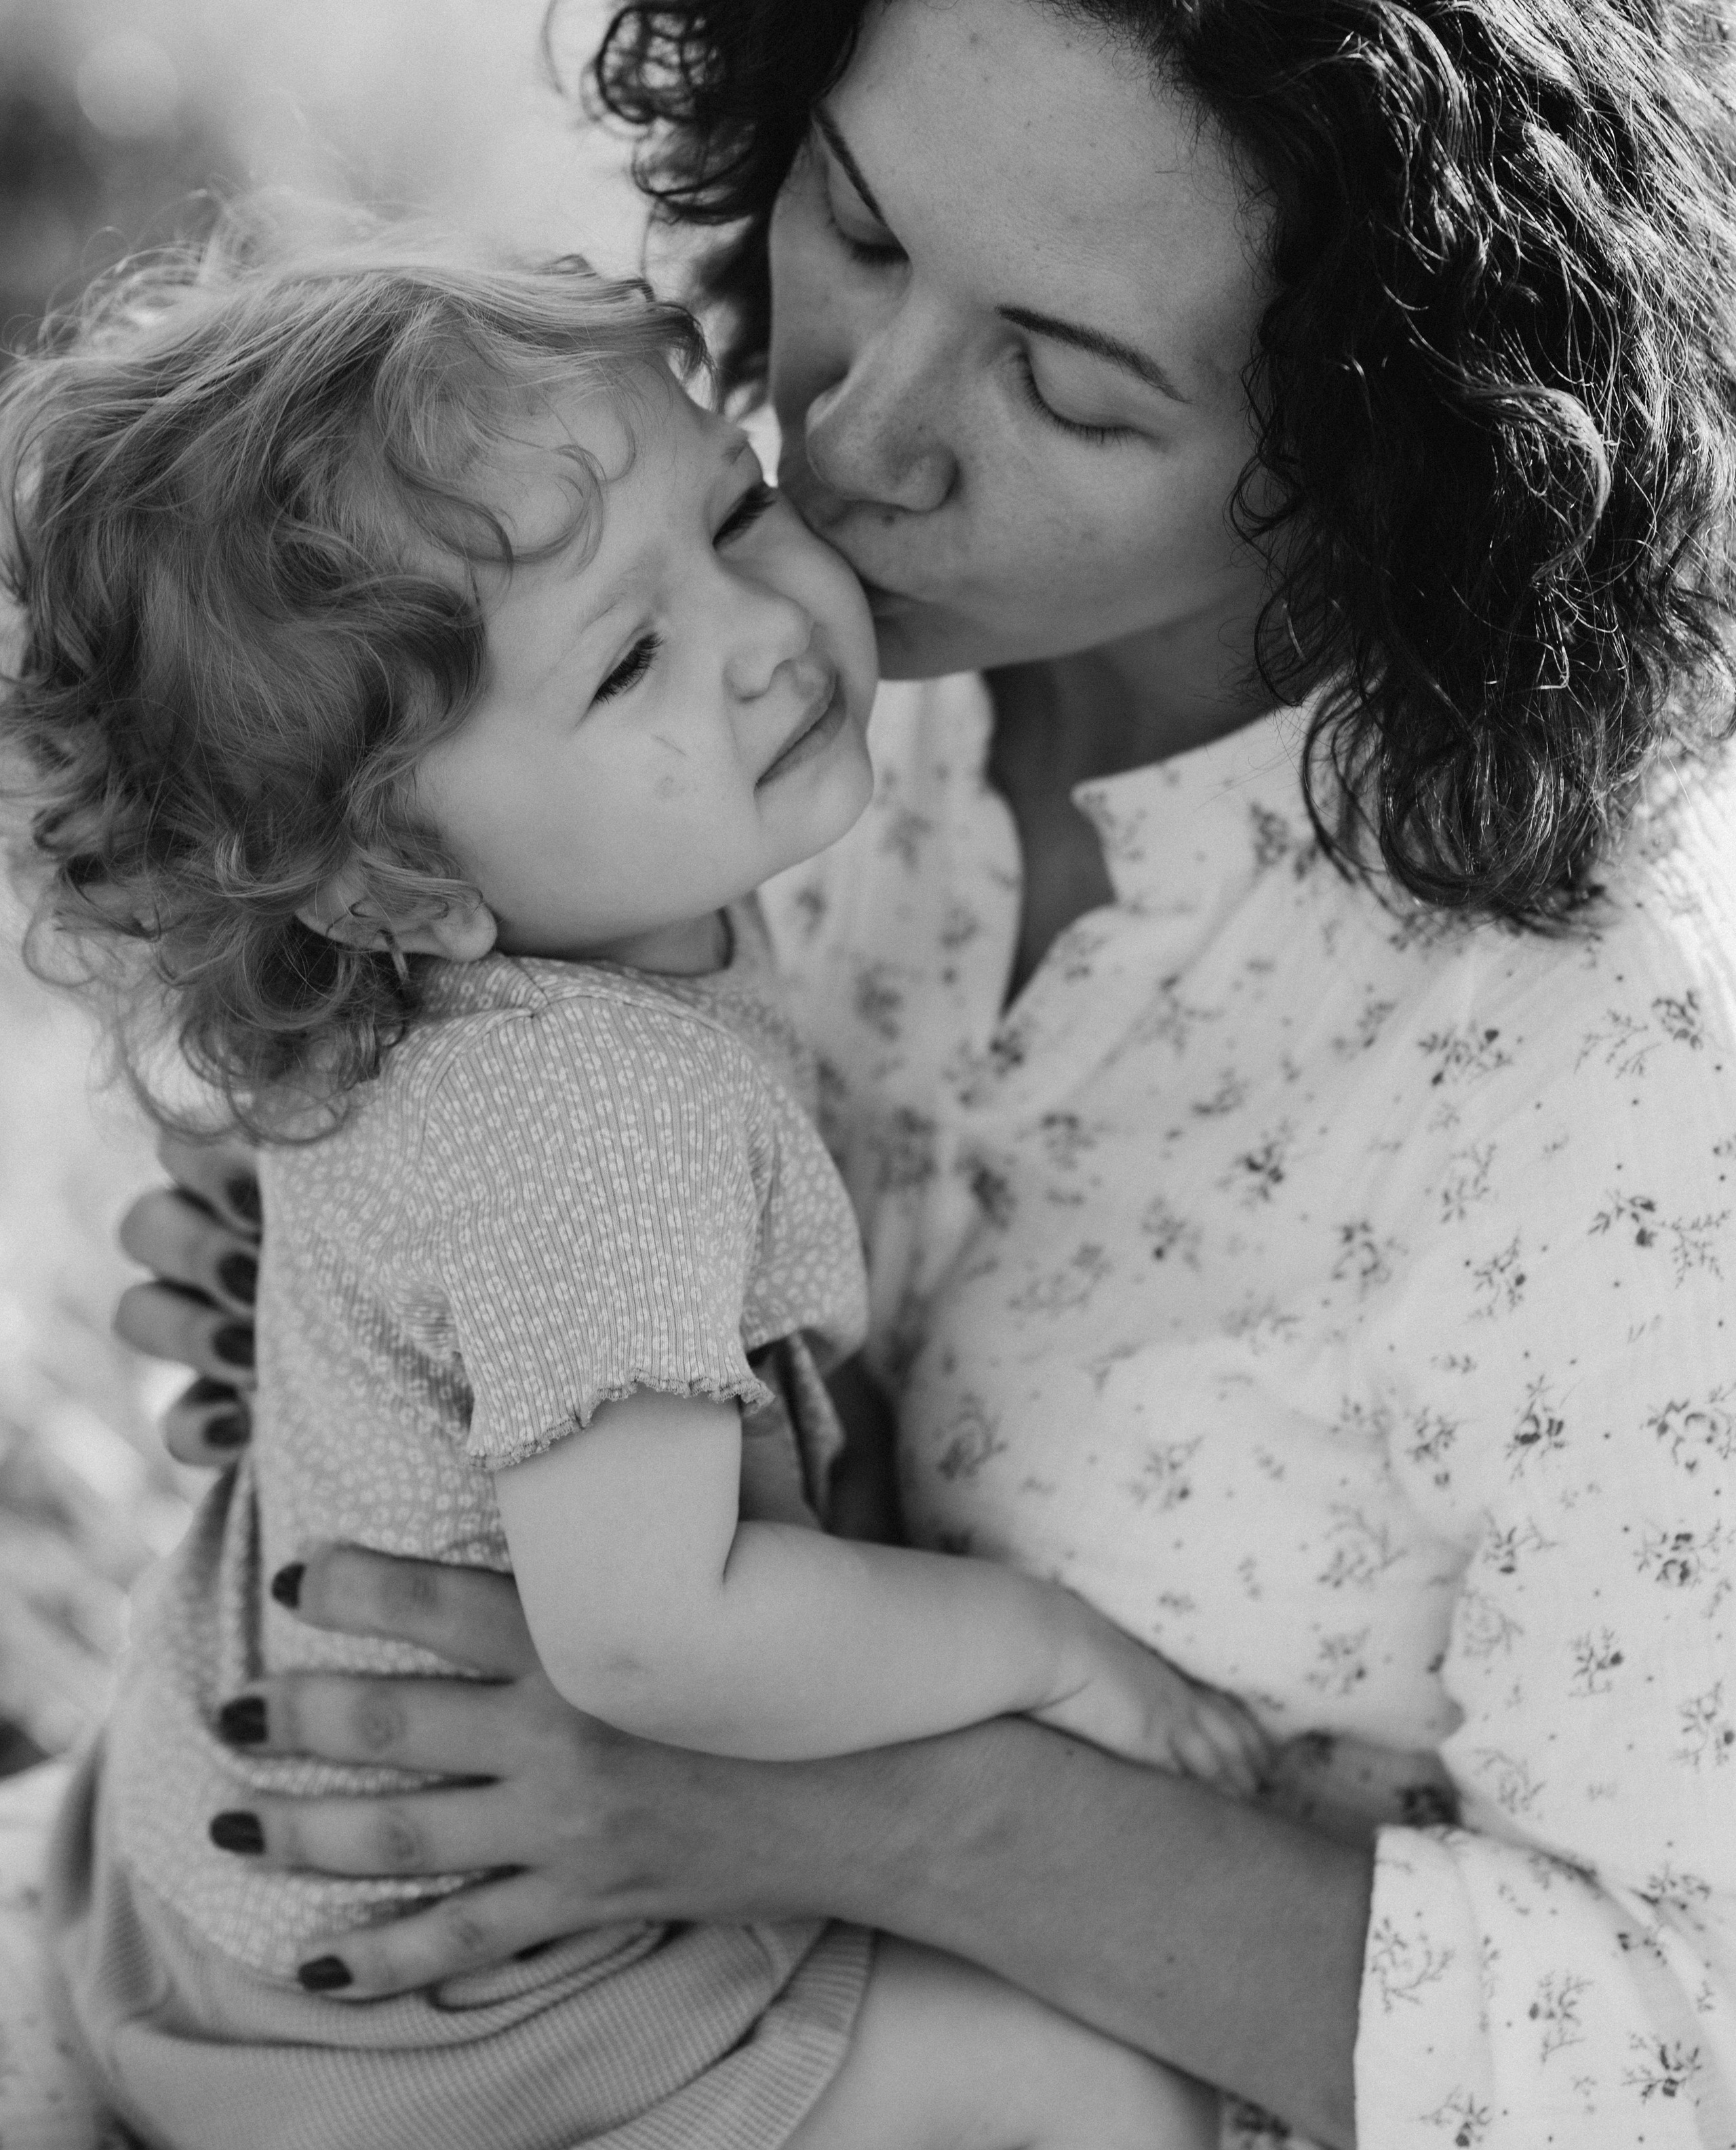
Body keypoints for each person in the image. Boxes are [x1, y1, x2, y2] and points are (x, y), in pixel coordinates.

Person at [100, 0, 1736, 2150]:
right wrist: (360, 1300)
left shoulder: (1621, 1067)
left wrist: (872, 1808)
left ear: (1372, 467)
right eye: (851, 228)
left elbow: (1687, 2041)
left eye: (1067, 384)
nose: (847, 434)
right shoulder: (731, 679)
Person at [1, 231, 1265, 2149]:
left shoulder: (469, 977)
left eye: (734, 506)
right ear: (399, 877)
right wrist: (1049, 1650)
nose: (763, 627)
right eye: (628, 656)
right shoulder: (597, 1104)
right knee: (1102, 2091)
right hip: (436, 2011)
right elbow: (659, 1632)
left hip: (196, 1876)